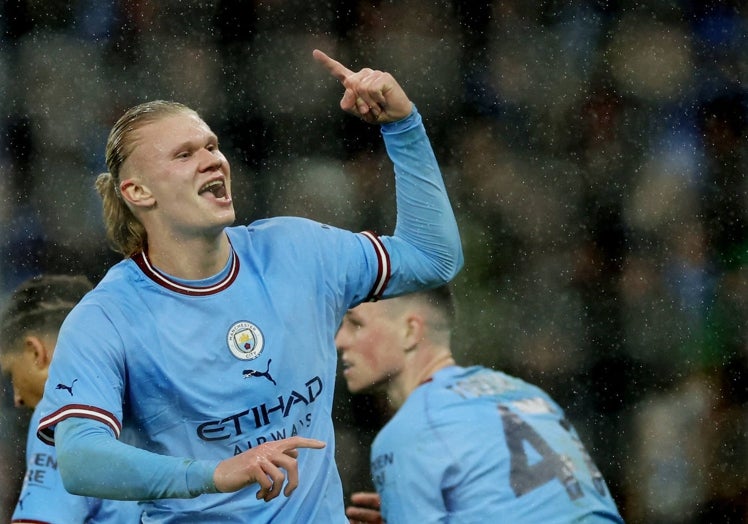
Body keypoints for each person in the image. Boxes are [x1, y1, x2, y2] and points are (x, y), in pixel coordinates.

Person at [35, 49, 463, 523]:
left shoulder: (298, 252)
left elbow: (433, 259)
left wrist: (403, 127)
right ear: (138, 192)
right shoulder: (107, 318)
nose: (212, 161)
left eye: (212, 146)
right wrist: (214, 474)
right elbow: (79, 460)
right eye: (184, 154)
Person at [335, 285, 625, 523]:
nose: (339, 340)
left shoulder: (408, 433)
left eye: (356, 324)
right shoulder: (526, 394)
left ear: (411, 331)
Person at [0, 274, 142, 523]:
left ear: (35, 352)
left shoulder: (61, 410)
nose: (17, 398)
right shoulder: (159, 390)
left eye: (11, 374)